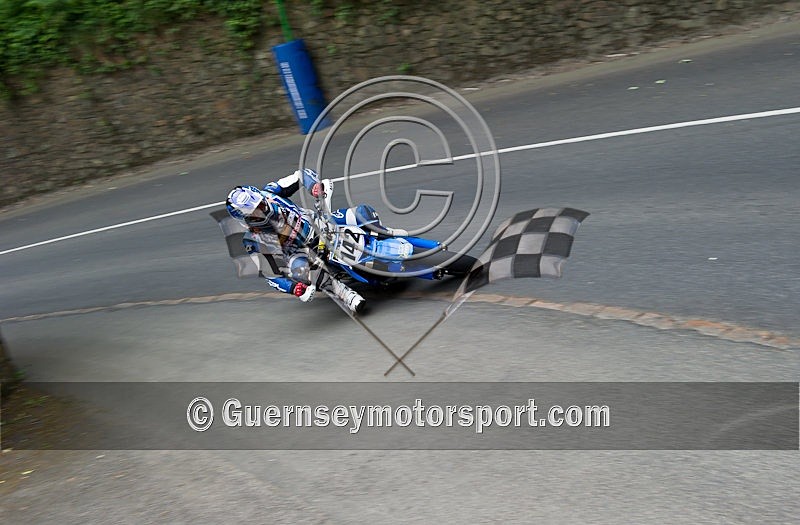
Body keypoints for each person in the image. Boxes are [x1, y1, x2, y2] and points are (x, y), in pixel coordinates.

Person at [226, 168, 405, 311]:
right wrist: (294, 289)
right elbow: (270, 274)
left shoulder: (272, 191)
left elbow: (301, 175)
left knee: (361, 212)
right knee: (299, 270)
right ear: (244, 218)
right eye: (256, 211)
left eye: (261, 204)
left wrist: (313, 186)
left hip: (319, 223)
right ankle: (343, 293)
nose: (263, 210)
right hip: (301, 253)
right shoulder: (252, 240)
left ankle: (386, 233)